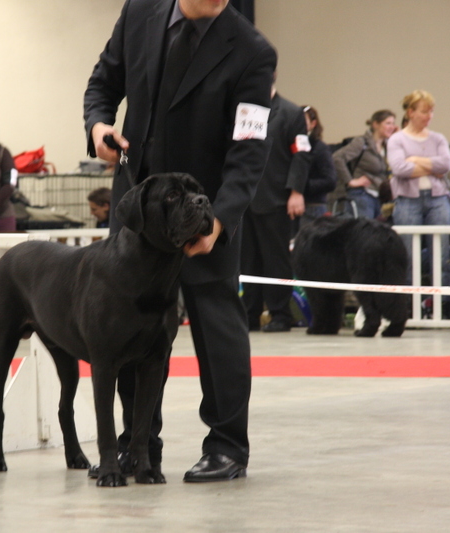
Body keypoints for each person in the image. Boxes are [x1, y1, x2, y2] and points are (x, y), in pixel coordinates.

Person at [84, 0, 276, 482]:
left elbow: (249, 152)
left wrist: (219, 221)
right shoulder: (139, 12)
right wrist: (99, 126)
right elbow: (103, 84)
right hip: (139, 213)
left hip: (202, 215)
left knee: (217, 324)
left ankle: (228, 446)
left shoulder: (253, 51)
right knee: (127, 327)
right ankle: (138, 443)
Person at [241, 84, 312, 332]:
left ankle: (280, 315)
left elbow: (301, 154)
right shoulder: (243, 110)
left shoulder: (291, 112)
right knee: (247, 261)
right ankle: (249, 315)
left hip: (277, 198)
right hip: (244, 198)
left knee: (276, 261)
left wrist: (296, 191)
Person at [387, 90, 450, 291]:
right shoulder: (397, 139)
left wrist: (415, 160)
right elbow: (399, 168)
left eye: (431, 111)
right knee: (408, 254)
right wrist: (433, 167)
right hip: (407, 201)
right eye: (424, 111)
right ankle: (408, 305)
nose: (429, 116)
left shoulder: (438, 138)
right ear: (410, 112)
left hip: (438, 200)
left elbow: (446, 165)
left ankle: (443, 303)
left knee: (440, 253)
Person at [332, 109, 396, 219]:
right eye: (388, 123)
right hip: (362, 195)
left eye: (393, 123)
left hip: (379, 198)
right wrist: (350, 181)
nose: (392, 127)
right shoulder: (362, 142)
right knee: (364, 233)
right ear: (376, 124)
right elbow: (337, 158)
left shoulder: (388, 146)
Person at [298, 105, 336, 230]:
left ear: (313, 123)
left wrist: (299, 186)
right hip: (295, 207)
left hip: (313, 207)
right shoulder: (293, 144)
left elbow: (330, 181)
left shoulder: (320, 148)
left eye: (302, 121)